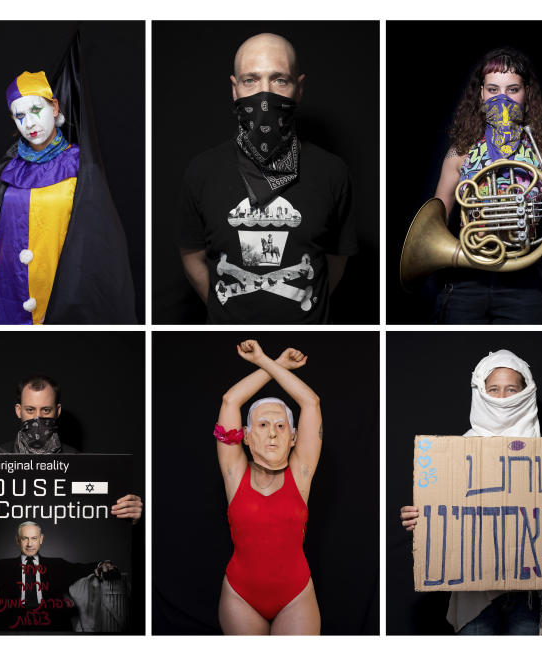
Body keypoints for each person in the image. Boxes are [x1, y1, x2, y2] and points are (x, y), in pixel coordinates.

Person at [399, 350, 542, 634]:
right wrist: (420, 518)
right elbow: (446, 518)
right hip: (474, 599)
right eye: (493, 389)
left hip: (531, 598)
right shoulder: (454, 455)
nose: (503, 398)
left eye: (511, 390)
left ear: (526, 391)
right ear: (480, 392)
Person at [178, 33, 356, 324]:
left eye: (279, 80)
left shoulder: (333, 172)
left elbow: (336, 261)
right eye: (251, 80)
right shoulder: (201, 171)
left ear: (299, 88)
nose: (265, 94)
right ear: (234, 89)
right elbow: (192, 257)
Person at [0, 69, 135, 324]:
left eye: (36, 110)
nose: (29, 124)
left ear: (55, 107)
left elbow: (98, 245)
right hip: (10, 297)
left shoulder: (82, 167)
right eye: (20, 116)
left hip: (62, 302)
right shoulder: (8, 167)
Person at [427, 48, 542, 324]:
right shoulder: (460, 152)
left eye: (513, 89)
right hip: (468, 278)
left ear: (527, 93)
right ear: (481, 93)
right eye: (493, 89)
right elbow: (436, 218)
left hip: (525, 282)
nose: (502, 98)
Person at [0, 374, 142, 521]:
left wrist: (128, 516)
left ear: (58, 411)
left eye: (45, 411)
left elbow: (97, 515)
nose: (37, 418)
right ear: (18, 410)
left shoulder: (78, 462)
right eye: (30, 410)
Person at [214, 339, 322, 634]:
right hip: (240, 596)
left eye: (280, 426)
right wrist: (273, 363)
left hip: (295, 596)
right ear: (246, 436)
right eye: (263, 425)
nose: (272, 434)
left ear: (294, 437)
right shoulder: (233, 471)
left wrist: (269, 362)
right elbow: (230, 401)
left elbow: (310, 402)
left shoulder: (302, 473)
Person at [0, 521, 120, 631]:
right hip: (10, 624)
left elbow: (82, 568)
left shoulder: (58, 564)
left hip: (53, 624)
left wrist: (102, 564)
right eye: (25, 538)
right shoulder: (2, 566)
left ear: (41, 539)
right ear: (18, 540)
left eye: (34, 538)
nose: (29, 544)